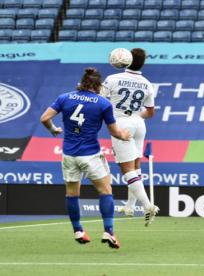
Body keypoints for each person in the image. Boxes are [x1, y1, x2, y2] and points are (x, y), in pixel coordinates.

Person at [40, 68, 131, 249]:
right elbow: (114, 131)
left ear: (81, 82)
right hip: (90, 154)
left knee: (72, 193)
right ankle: (109, 232)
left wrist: (53, 130)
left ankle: (78, 230)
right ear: (98, 85)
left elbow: (44, 118)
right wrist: (124, 135)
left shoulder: (65, 98)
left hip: (69, 154)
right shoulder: (103, 103)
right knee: (105, 191)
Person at [101, 48, 159, 226]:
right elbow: (150, 112)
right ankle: (129, 207)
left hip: (120, 123)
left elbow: (100, 101)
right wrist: (135, 117)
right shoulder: (147, 83)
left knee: (127, 169)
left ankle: (148, 205)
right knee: (135, 166)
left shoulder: (112, 79)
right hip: (139, 123)